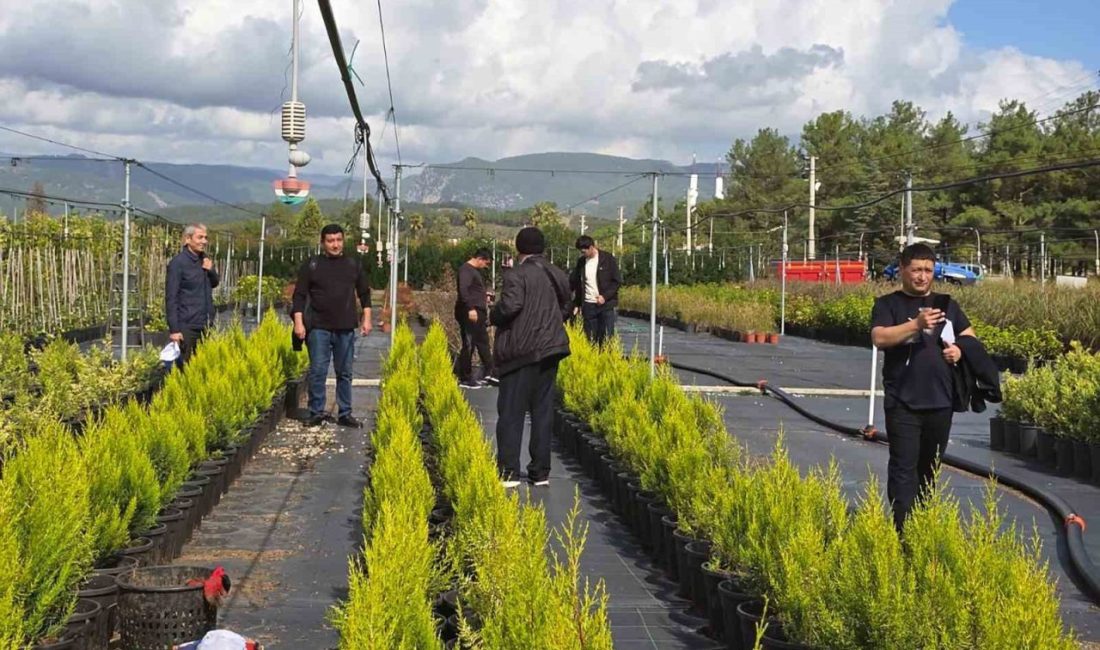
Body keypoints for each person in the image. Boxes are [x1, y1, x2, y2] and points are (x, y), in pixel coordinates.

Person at [871, 243, 976, 531]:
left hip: (941, 401)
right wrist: (916, 324)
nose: (922, 276)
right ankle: (903, 532)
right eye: (916, 269)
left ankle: (921, 527)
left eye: (928, 270)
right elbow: (879, 338)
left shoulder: (946, 304)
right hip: (902, 401)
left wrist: (960, 350)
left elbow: (969, 337)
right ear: (902, 269)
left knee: (929, 470)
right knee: (903, 469)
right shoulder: (888, 304)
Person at [490, 227, 572, 488]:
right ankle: (540, 472)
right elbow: (567, 306)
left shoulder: (517, 274)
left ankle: (509, 472)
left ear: (519, 248)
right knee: (543, 412)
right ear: (542, 248)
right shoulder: (557, 273)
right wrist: (549, 324)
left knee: (511, 412)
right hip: (551, 349)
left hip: (521, 351)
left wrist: (493, 314)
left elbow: (511, 306)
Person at [291, 224, 372, 428]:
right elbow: (299, 295)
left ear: (343, 241)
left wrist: (367, 319)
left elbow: (364, 293)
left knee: (345, 372)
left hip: (345, 327)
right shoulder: (312, 265)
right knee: (318, 371)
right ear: (322, 243)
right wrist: (298, 323)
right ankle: (316, 412)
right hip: (318, 328)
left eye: (338, 240)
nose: (335, 245)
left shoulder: (353, 264)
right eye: (330, 241)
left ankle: (345, 413)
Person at [166, 223, 219, 367]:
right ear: (188, 239)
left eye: (206, 238)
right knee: (185, 367)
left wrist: (211, 270)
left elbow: (214, 283)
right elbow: (171, 297)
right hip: (187, 326)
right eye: (200, 237)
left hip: (205, 323)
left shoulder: (205, 260)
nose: (204, 241)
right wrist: (174, 330)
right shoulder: (178, 263)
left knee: (203, 366)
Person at [455, 247, 496, 388]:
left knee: (483, 342)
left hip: (478, 312)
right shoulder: (466, 270)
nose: (486, 266)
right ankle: (465, 377)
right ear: (480, 259)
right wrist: (471, 308)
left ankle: (490, 372)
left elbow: (473, 290)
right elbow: (463, 290)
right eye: (486, 263)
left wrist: (485, 297)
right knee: (469, 344)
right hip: (470, 313)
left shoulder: (474, 272)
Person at [569, 235, 621, 345]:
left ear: (592, 247)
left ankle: (605, 355)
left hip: (605, 306)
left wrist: (605, 296)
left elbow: (616, 281)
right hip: (588, 306)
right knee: (590, 339)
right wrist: (577, 304)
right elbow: (577, 283)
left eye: (584, 252)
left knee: (606, 339)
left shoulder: (607, 259)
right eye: (581, 252)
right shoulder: (581, 262)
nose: (583, 254)